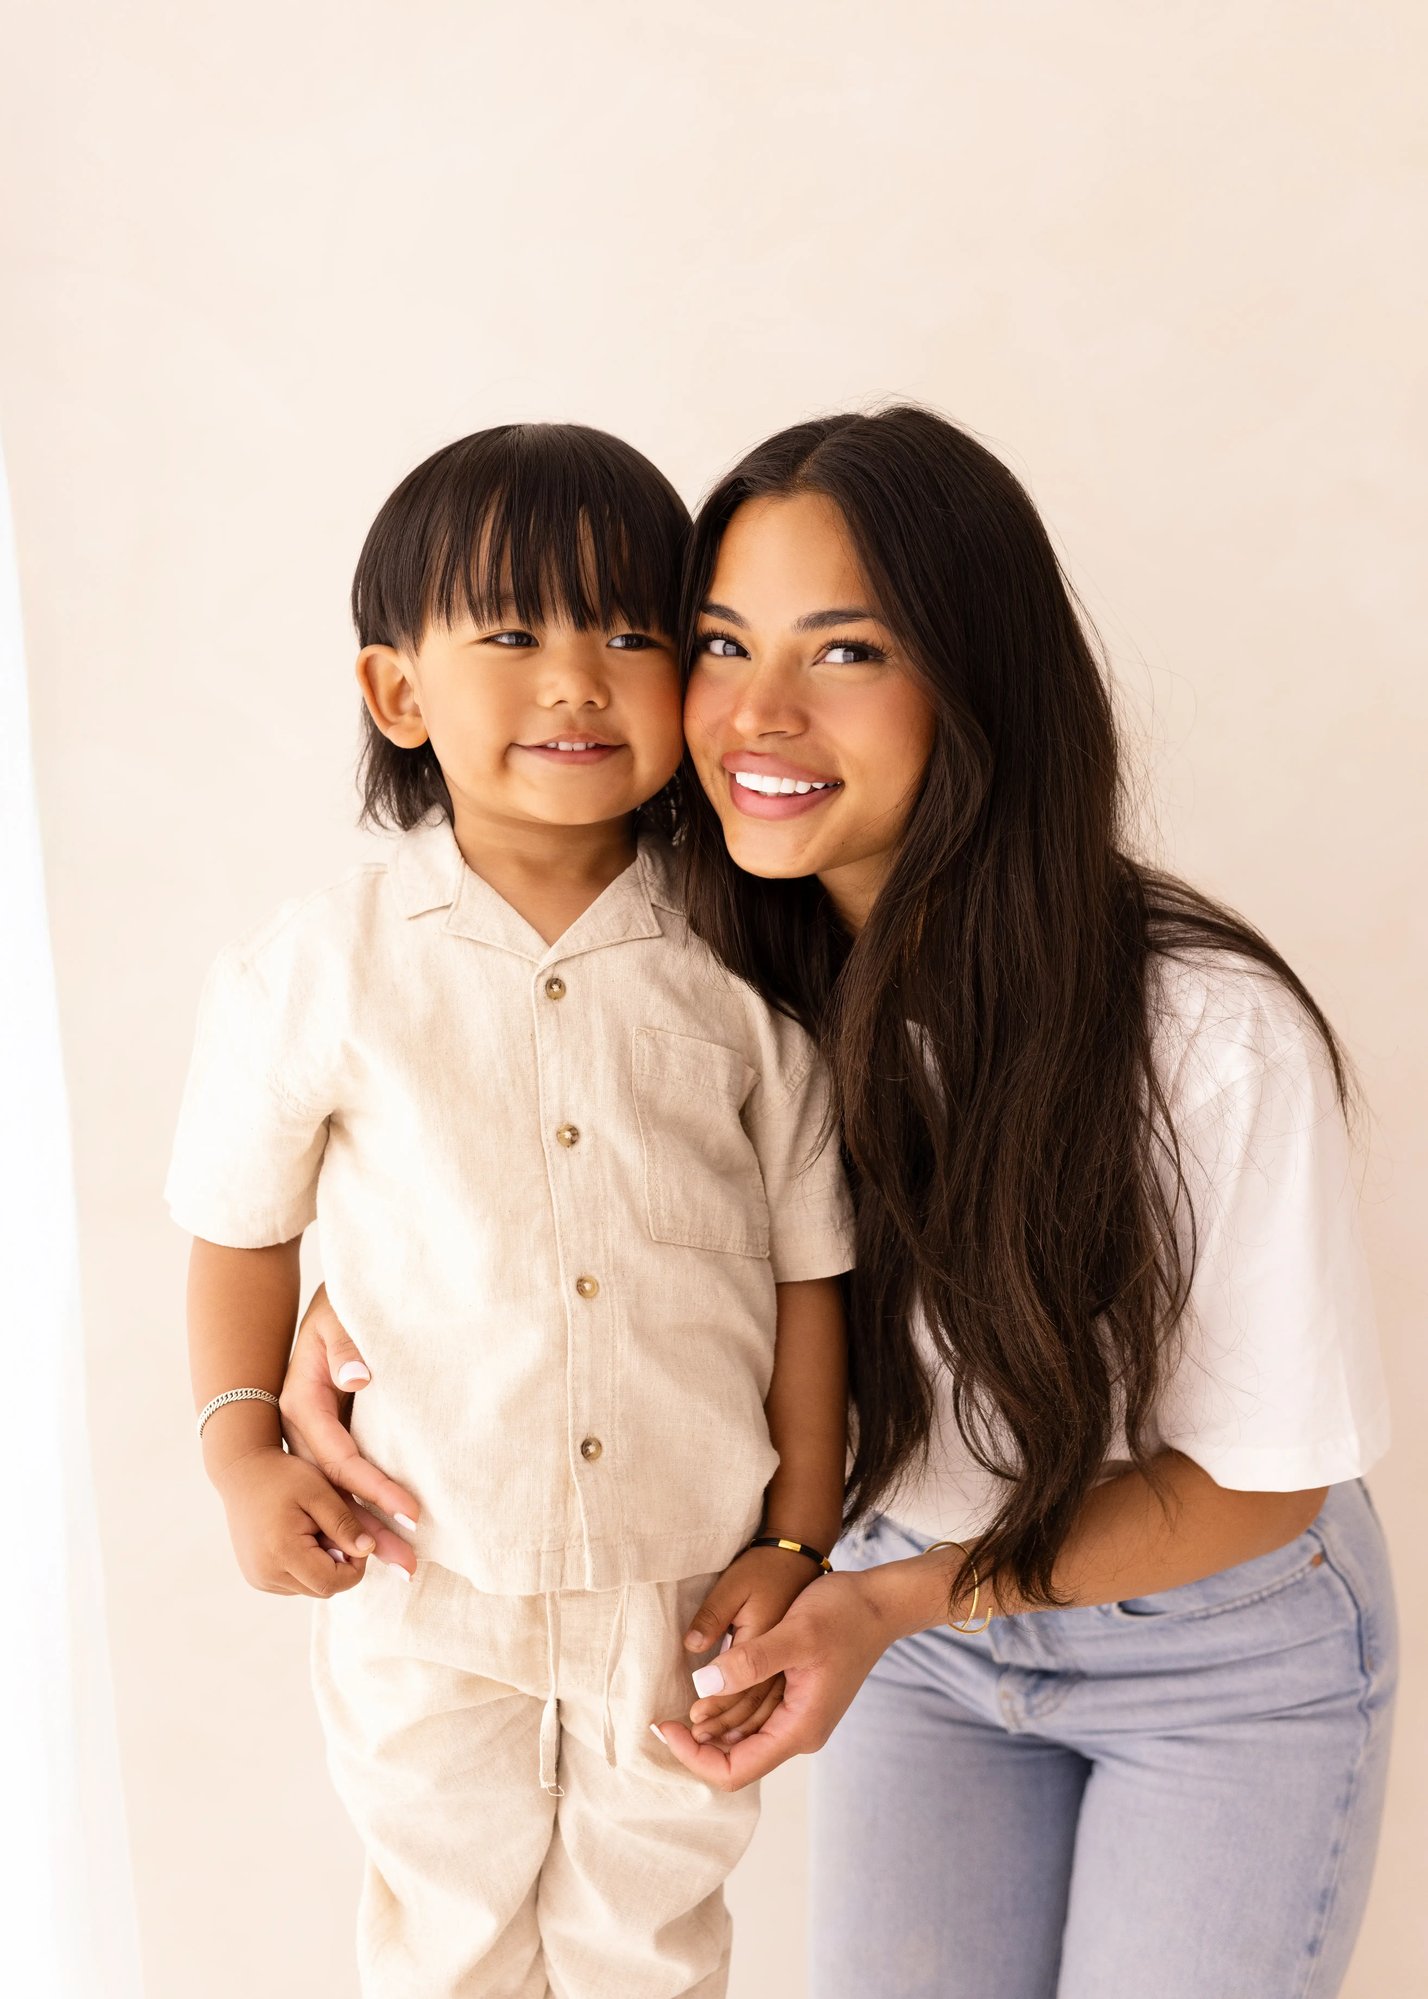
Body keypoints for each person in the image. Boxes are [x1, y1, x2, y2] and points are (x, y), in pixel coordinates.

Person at [284, 407, 1396, 1998]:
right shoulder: (700, 972)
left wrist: (880, 1602)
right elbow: (513, 1170)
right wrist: (350, 1321)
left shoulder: (1202, 1035)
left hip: (1208, 1644)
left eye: (849, 651)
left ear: (978, 678)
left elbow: (1265, 1486)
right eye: (724, 643)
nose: (761, 712)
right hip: (919, 1629)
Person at [165, 422, 855, 1999]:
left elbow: (815, 1274)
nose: (576, 678)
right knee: (443, 1940)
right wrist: (236, 1449)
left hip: (675, 1589)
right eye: (514, 631)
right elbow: (239, 1222)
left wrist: (801, 1532)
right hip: (421, 1569)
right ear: (399, 693)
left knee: (654, 1942)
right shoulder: (326, 963)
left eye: (631, 633)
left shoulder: (748, 972)